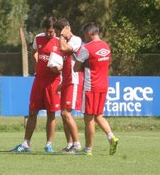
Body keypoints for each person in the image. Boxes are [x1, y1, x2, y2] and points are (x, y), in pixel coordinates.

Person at [11, 17, 62, 153]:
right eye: (47, 31)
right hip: (39, 80)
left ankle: (49, 144)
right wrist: (37, 64)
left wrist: (59, 69)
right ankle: (26, 143)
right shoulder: (38, 38)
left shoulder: (60, 41)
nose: (49, 34)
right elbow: (34, 52)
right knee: (32, 112)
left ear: (55, 31)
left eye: (51, 32)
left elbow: (66, 62)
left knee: (51, 114)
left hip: (53, 82)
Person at [74, 22, 118, 156]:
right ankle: (111, 137)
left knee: (88, 119)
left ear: (88, 34)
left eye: (84, 35)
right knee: (98, 115)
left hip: (91, 86)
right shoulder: (106, 46)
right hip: (104, 84)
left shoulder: (86, 48)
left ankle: (87, 150)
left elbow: (76, 68)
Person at [53, 18, 83, 154]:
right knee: (63, 114)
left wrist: (61, 36)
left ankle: (77, 145)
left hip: (74, 81)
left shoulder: (76, 40)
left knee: (66, 113)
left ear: (67, 28)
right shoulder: (64, 41)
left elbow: (63, 48)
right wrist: (62, 82)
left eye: (58, 32)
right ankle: (70, 144)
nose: (57, 35)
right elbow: (66, 64)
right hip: (66, 81)